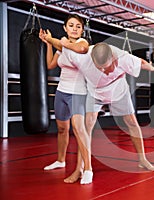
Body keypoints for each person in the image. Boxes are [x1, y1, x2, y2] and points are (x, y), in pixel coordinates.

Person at [62, 42, 154, 171]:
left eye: (106, 67)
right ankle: (81, 167)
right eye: (100, 68)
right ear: (92, 59)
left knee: (132, 122)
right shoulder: (83, 58)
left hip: (118, 90)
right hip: (96, 92)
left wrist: (153, 68)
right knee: (86, 127)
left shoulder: (123, 58)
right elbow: (62, 46)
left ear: (113, 58)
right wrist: (58, 40)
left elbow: (142, 63)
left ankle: (142, 160)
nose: (104, 71)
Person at [39, 14, 93, 184]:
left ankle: (88, 169)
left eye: (78, 26)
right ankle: (60, 160)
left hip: (78, 93)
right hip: (61, 92)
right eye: (71, 25)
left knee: (79, 130)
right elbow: (50, 65)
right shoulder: (61, 47)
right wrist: (49, 44)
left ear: (82, 30)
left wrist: (57, 40)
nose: (75, 29)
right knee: (62, 129)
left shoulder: (82, 43)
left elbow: (80, 50)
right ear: (65, 27)